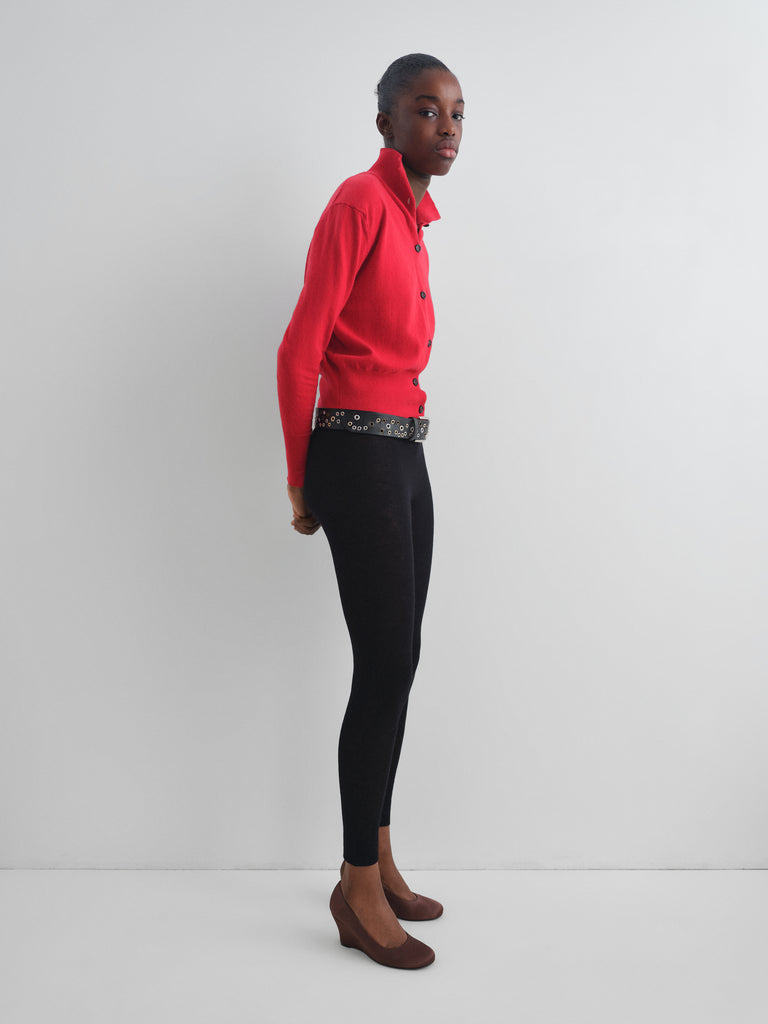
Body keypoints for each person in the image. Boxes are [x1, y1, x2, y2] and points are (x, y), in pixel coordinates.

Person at [276, 53, 464, 969]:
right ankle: (354, 886)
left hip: (404, 452)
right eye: (426, 110)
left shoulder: (413, 222)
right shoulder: (359, 202)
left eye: (457, 112)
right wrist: (299, 476)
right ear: (386, 122)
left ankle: (378, 853)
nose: (447, 126)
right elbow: (299, 347)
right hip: (353, 452)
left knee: (403, 660)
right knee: (383, 661)